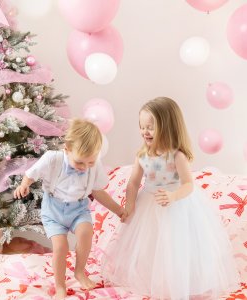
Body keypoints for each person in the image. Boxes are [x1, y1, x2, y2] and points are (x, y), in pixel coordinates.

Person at [101, 97, 239, 300]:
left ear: (168, 128)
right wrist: (129, 205)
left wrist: (173, 196)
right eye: (142, 126)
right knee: (150, 246)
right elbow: (132, 183)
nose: (145, 132)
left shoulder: (177, 156)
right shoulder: (142, 155)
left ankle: (180, 282)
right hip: (148, 205)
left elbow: (188, 184)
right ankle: (153, 281)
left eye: (151, 127)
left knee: (176, 246)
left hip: (177, 205)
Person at [14, 118, 127, 300]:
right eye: (80, 163)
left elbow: (98, 192)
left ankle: (80, 272)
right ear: (67, 149)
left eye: (90, 163)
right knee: (61, 247)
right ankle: (60, 286)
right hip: (53, 210)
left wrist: (118, 210)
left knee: (86, 232)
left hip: (78, 208)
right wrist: (24, 185)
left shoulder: (93, 165)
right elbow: (31, 174)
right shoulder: (53, 159)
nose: (84, 168)